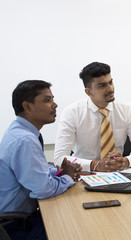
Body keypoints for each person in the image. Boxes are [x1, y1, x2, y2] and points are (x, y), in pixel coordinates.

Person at [0, 80, 82, 239]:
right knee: (75, 227)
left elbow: (38, 169)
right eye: (47, 100)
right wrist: (68, 177)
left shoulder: (19, 131)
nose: (55, 104)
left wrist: (59, 172)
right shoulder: (25, 140)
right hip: (16, 226)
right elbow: (44, 189)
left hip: (16, 218)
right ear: (27, 106)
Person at [54, 62, 131, 172]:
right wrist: (95, 165)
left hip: (119, 173)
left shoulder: (127, 109)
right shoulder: (72, 112)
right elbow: (60, 158)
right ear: (89, 92)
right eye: (102, 85)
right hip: (85, 173)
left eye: (110, 82)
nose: (110, 88)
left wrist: (126, 161)